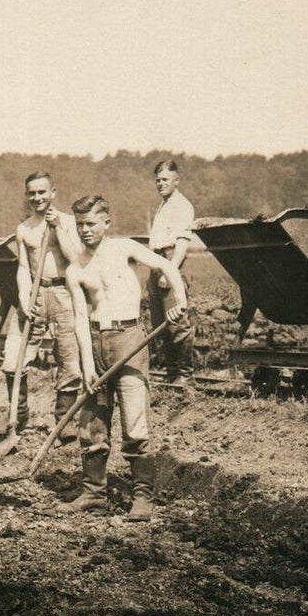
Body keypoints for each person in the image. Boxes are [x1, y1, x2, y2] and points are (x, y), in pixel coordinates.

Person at [62, 195, 187, 518]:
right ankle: (94, 494)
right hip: (94, 342)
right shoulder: (76, 269)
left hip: (129, 339)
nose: (85, 230)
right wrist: (87, 365)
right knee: (92, 424)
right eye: (79, 225)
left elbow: (166, 266)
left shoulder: (125, 248)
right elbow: (78, 317)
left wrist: (178, 300)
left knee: (134, 421)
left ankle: (142, 497)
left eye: (91, 223)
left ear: (106, 222)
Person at [2, 172, 85, 439]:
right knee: (13, 357)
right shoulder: (24, 229)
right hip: (36, 293)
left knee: (70, 359)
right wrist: (24, 302)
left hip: (64, 292)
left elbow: (75, 259)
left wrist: (58, 226)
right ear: (27, 196)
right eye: (32, 193)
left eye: (42, 192)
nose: (37, 198)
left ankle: (65, 421)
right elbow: (24, 268)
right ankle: (18, 413)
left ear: (53, 193)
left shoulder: (70, 223)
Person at [147, 159, 197, 387]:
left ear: (176, 180)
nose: (160, 184)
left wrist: (170, 272)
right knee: (162, 324)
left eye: (165, 179)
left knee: (177, 322)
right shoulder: (163, 205)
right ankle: (171, 373)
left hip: (170, 262)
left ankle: (185, 375)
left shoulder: (181, 205)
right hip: (156, 262)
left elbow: (181, 244)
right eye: (157, 180)